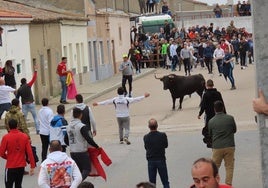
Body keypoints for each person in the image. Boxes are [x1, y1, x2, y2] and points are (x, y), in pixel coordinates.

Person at [65, 108, 100, 181]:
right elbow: (88, 138)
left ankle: (77, 183)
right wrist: (96, 146)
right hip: (82, 151)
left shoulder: (68, 126)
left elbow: (65, 139)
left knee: (79, 170)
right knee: (87, 169)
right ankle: (76, 183)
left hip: (72, 152)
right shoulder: (81, 126)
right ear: (81, 115)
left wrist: (72, 145)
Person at [0, 119, 36, 188]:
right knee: (18, 185)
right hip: (21, 166)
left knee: (8, 185)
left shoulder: (6, 137)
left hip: (10, 166)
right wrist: (32, 166)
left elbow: (1, 153)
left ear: (8, 126)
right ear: (17, 126)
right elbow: (29, 152)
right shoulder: (24, 136)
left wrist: (8, 157)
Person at [208, 101, 236, 186]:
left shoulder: (211, 121)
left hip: (217, 147)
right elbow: (234, 130)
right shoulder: (230, 118)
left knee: (214, 168)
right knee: (229, 167)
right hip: (229, 145)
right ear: (223, 108)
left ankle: (214, 184)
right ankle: (228, 185)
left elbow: (210, 134)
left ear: (214, 109)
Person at [198, 79, 225, 148]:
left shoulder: (206, 95)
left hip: (209, 115)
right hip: (218, 113)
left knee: (208, 128)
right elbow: (222, 103)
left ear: (206, 85)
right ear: (213, 85)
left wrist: (200, 114)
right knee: (219, 128)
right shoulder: (218, 93)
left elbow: (203, 106)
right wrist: (224, 112)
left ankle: (211, 141)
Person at [143, 118, 170, 188]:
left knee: (152, 183)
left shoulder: (146, 137)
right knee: (165, 181)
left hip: (151, 160)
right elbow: (166, 145)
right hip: (161, 159)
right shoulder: (162, 135)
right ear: (157, 125)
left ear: (149, 127)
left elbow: (146, 147)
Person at [16, 66, 39, 134]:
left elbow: (17, 98)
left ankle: (24, 131)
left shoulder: (19, 89)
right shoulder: (28, 85)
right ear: (25, 81)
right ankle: (38, 130)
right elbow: (34, 79)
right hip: (31, 103)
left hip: (24, 105)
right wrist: (35, 71)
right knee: (35, 117)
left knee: (24, 119)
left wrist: (18, 106)